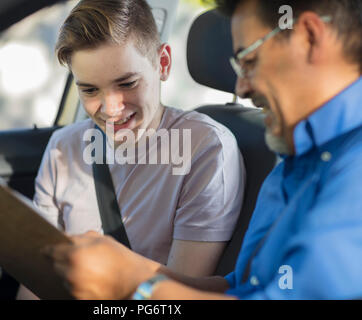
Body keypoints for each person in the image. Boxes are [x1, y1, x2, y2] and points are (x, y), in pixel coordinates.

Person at [42, 0, 362, 300]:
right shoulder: (295, 163)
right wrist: (134, 270)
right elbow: (239, 288)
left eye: (249, 61)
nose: (241, 87)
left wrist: (133, 285)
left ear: (309, 37)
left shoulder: (352, 169)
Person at [17, 0, 245, 299]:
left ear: (162, 63)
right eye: (89, 90)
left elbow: (180, 296)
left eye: (126, 83)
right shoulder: (64, 147)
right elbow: (35, 281)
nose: (111, 109)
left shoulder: (205, 149)